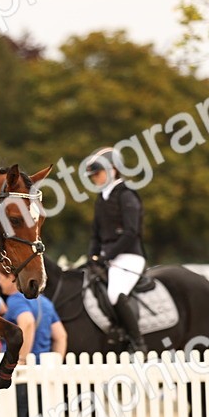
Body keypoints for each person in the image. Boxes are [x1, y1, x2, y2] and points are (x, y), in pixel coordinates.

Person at [86, 148, 147, 351]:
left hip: (129, 256)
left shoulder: (127, 196)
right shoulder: (101, 199)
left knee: (115, 293)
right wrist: (92, 256)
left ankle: (138, 343)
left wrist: (105, 256)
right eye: (93, 175)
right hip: (108, 258)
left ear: (113, 170)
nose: (94, 178)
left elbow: (131, 233)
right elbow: (96, 235)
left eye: (98, 173)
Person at [0, 268, 67, 417]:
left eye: (0, 278)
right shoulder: (45, 302)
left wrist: (21, 359)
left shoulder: (15, 300)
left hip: (22, 376)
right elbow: (61, 336)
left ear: (11, 277)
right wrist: (55, 365)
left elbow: (27, 322)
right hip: (43, 374)